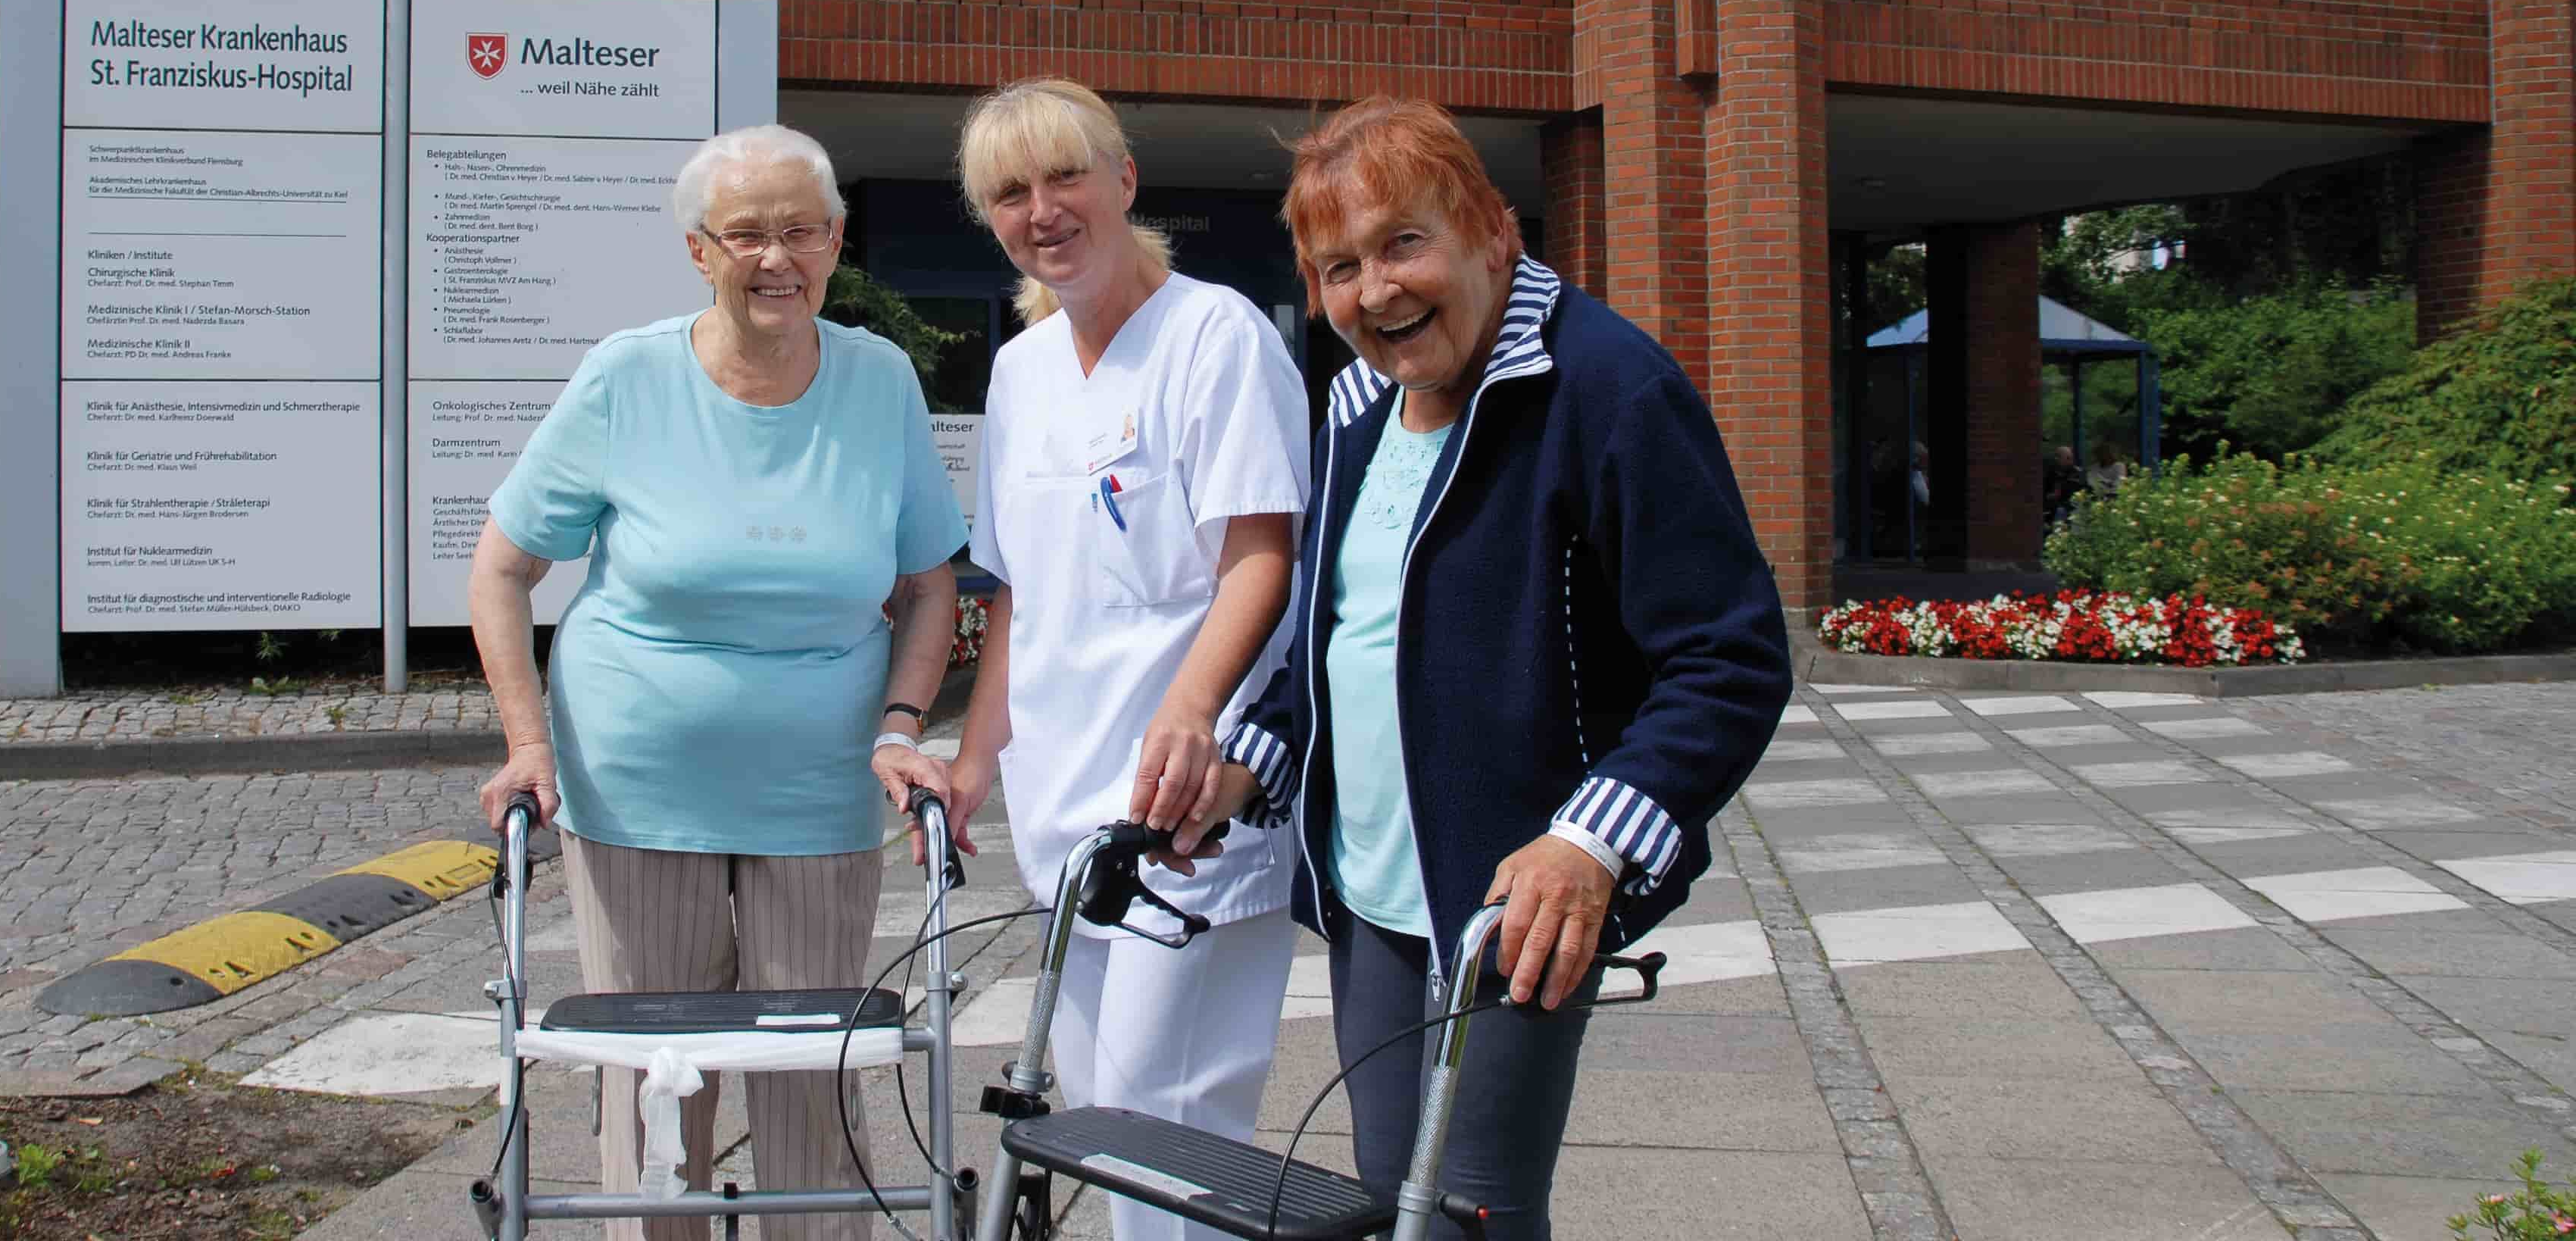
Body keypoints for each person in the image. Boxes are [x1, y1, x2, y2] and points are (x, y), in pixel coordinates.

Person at [1215, 97, 1790, 1241]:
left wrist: (1588, 844)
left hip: (1516, 895)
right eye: (1339, 267)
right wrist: (1243, 762)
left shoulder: (1608, 389)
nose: (1375, 291)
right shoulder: (1360, 405)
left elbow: (1729, 657)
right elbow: (1341, 632)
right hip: (1373, 884)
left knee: (1470, 1210)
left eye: (1402, 244)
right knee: (1393, 1207)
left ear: (1492, 232)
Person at [470, 123, 969, 1241]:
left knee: (813, 1074)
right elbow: (503, 568)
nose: (774, 257)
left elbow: (931, 585)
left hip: (820, 793)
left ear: (837, 243)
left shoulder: (878, 380)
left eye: (800, 231)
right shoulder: (628, 375)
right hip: (640, 787)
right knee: (655, 1078)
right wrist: (528, 745)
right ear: (700, 251)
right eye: (746, 234)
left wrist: (901, 723)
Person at [934, 77, 1310, 1241]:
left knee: (1173, 1124)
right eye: (1009, 192)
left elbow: (1263, 554)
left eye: (1064, 177)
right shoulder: (1022, 369)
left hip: (1187, 806)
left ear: (1125, 182)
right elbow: (1019, 599)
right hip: (1064, 812)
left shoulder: (1217, 335)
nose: (1041, 209)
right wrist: (973, 758)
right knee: (1106, 1115)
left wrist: (1194, 708)